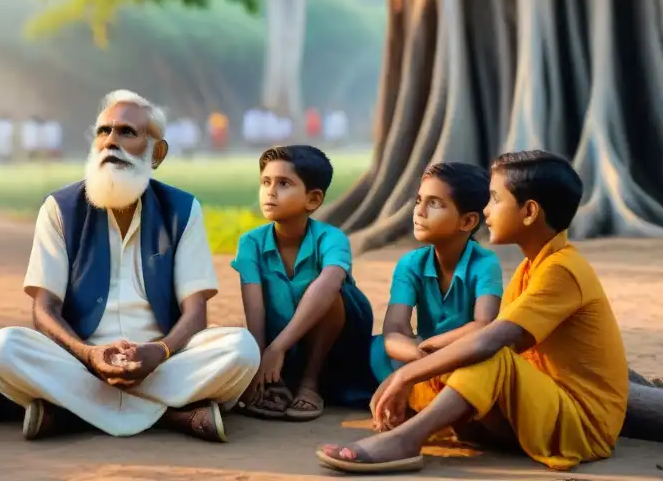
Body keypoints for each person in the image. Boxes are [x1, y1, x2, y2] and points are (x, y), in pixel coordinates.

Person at [319, 150, 629, 474]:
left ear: (529, 212)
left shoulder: (563, 270)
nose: (485, 209)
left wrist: (405, 374)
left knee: (486, 353)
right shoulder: (531, 267)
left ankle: (405, 441)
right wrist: (424, 362)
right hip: (541, 404)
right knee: (452, 357)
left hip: (582, 426)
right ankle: (415, 420)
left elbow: (488, 341)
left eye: (495, 199)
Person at [0, 89, 260, 442]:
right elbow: (44, 308)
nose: (111, 141)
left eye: (127, 132)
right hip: (81, 361)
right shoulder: (59, 208)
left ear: (155, 153)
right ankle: (171, 414)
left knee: (241, 348)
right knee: (2, 349)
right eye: (104, 131)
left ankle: (73, 412)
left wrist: (158, 352)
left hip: (162, 361)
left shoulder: (182, 209)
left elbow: (195, 311)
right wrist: (89, 354)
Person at [231, 145, 376, 422]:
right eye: (265, 182)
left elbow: (331, 283)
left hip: (337, 342)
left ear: (313, 199)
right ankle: (276, 381)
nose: (270, 192)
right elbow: (255, 308)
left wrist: (278, 348)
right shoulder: (250, 243)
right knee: (235, 338)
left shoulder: (332, 238)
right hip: (281, 339)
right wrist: (260, 362)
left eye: (284, 184)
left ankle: (311, 382)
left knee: (328, 292)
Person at [370, 162, 503, 384]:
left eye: (435, 203)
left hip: (464, 353)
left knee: (487, 365)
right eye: (419, 201)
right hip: (418, 354)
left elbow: (484, 325)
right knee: (378, 349)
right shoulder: (411, 263)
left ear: (468, 221)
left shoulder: (485, 263)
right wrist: (419, 357)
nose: (419, 212)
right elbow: (394, 329)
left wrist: (434, 350)